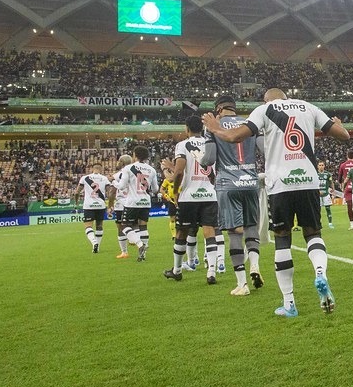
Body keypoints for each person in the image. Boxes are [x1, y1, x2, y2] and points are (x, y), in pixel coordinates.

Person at [203, 88, 349, 317]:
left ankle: (289, 304)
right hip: (308, 181)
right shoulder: (308, 107)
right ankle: (320, 272)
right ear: (287, 98)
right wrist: (340, 125)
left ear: (266, 99)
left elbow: (234, 137)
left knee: (283, 239)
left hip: (280, 185)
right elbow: (344, 136)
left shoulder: (264, 110)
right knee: (313, 234)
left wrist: (215, 128)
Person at [201, 96, 264, 295]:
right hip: (250, 182)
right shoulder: (251, 123)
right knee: (251, 226)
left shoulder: (214, 125)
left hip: (228, 183)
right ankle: (254, 264)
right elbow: (264, 149)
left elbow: (210, 158)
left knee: (235, 232)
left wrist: (201, 160)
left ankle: (242, 283)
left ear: (219, 108)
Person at [163, 115, 220, 284]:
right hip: (210, 194)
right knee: (210, 232)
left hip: (189, 197)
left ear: (187, 129)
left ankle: (177, 270)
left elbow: (179, 171)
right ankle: (211, 272)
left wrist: (174, 192)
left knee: (182, 232)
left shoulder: (182, 145)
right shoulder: (212, 144)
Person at [110, 145, 159, 262]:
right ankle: (143, 255)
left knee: (125, 226)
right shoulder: (152, 170)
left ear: (135, 155)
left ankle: (139, 244)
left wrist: (113, 182)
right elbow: (156, 189)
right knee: (143, 227)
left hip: (132, 202)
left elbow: (121, 186)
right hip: (146, 202)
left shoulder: (129, 168)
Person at [73, 162, 111, 254]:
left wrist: (76, 202)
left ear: (92, 169)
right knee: (99, 226)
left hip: (89, 205)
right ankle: (97, 246)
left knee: (88, 226)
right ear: (100, 169)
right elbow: (110, 193)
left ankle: (94, 242)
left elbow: (77, 192)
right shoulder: (104, 178)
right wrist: (110, 205)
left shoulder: (85, 178)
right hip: (101, 205)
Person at [109, 154, 132, 259]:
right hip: (132, 203)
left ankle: (124, 252)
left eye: (119, 161)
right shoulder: (134, 172)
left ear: (122, 162)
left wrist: (110, 205)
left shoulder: (118, 175)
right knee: (135, 225)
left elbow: (112, 192)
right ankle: (134, 240)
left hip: (121, 204)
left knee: (120, 227)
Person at [337, 151, 353, 230]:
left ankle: (352, 224)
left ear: (347, 156)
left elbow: (339, 178)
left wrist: (341, 184)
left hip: (348, 187)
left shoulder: (343, 165)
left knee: (349, 205)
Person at [317, 161, 336, 229]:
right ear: (317, 166)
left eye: (322, 165)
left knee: (328, 208)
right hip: (318, 195)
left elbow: (331, 182)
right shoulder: (315, 174)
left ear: (324, 166)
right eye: (320, 165)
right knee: (317, 210)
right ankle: (318, 223)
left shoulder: (328, 174)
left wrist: (333, 190)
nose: (321, 166)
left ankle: (330, 223)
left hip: (326, 194)